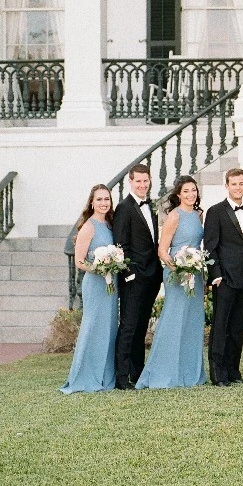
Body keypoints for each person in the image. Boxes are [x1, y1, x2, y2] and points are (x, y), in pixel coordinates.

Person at [136, 176, 207, 389]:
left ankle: (189, 372)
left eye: (193, 190)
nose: (190, 194)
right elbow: (162, 250)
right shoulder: (174, 216)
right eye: (186, 191)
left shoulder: (199, 215)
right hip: (177, 274)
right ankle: (164, 372)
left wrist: (193, 267)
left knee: (192, 322)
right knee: (174, 321)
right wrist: (179, 269)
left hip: (195, 273)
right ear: (178, 194)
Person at [203, 168, 243, 386]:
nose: (238, 187)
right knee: (221, 325)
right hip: (225, 278)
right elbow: (210, 246)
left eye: (241, 183)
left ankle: (233, 370)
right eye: (234, 183)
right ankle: (218, 373)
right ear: (226, 186)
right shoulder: (216, 211)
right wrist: (215, 275)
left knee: (238, 326)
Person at [62, 185, 119, 394]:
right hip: (95, 284)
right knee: (93, 327)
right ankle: (85, 376)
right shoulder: (88, 226)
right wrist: (99, 268)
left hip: (111, 285)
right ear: (92, 202)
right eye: (99, 199)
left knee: (109, 328)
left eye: (107, 199)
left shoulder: (111, 225)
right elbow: (79, 261)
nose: (104, 203)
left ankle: (104, 376)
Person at [113, 164, 162, 390]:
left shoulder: (150, 207)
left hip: (152, 277)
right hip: (134, 278)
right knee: (129, 326)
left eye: (145, 181)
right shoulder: (124, 208)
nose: (142, 185)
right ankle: (122, 378)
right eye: (138, 181)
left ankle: (137, 372)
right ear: (130, 182)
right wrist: (129, 274)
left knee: (141, 327)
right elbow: (120, 244)